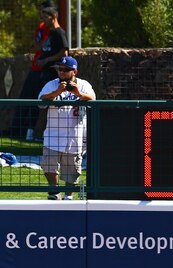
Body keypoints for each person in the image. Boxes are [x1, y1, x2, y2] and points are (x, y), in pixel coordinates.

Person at [38, 56, 95, 200]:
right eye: (59, 69)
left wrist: (78, 94)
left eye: (65, 69)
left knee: (73, 170)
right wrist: (56, 92)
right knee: (49, 166)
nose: (61, 72)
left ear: (74, 71)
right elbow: (40, 102)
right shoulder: (51, 84)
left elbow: (93, 100)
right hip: (53, 134)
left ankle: (68, 196)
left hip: (75, 136)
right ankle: (54, 191)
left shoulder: (83, 85)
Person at [10, 1, 65, 139]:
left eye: (45, 16)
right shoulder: (50, 32)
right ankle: (25, 132)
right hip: (41, 70)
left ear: (52, 16)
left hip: (49, 72)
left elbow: (64, 53)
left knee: (41, 102)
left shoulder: (58, 33)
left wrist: (46, 60)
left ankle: (34, 132)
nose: (42, 19)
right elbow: (38, 47)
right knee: (33, 100)